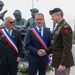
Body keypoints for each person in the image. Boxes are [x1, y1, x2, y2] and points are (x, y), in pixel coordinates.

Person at [41, 8, 74, 75]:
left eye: (52, 16)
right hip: (58, 60)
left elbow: (67, 47)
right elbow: (56, 44)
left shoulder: (65, 27)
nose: (52, 18)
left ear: (58, 15)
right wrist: (46, 51)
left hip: (62, 62)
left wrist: (63, 63)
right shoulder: (59, 26)